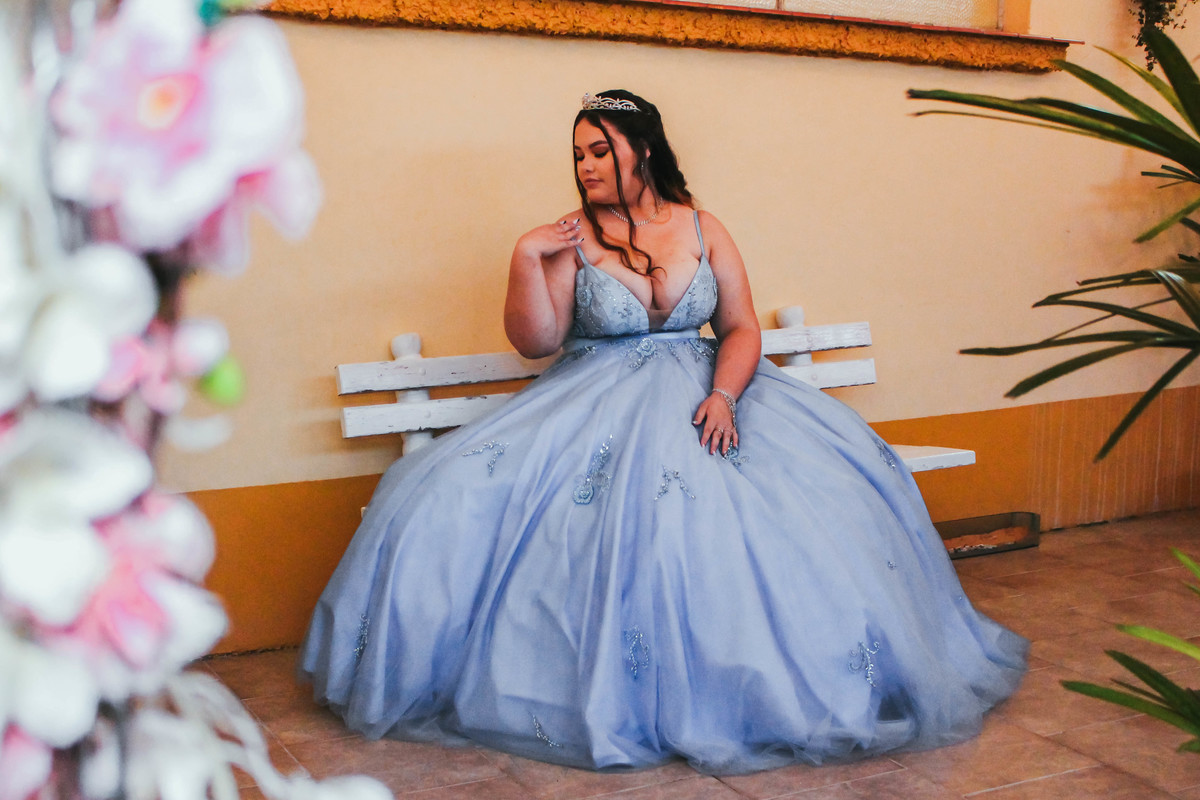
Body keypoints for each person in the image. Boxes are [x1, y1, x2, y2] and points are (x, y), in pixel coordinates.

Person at [298, 89, 1027, 774]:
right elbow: (537, 341)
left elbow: (740, 328)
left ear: (642, 150)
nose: (585, 167)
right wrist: (527, 256)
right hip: (595, 401)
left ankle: (771, 680)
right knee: (459, 496)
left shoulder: (703, 227)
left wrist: (724, 397)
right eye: (578, 155)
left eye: (600, 151)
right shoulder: (570, 236)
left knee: (805, 496)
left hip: (712, 391)